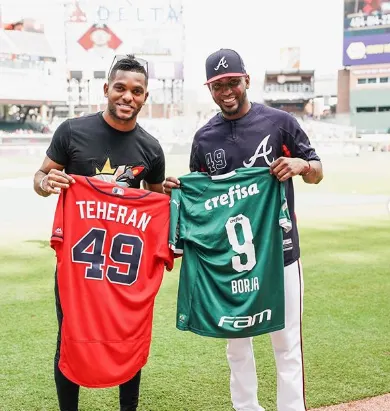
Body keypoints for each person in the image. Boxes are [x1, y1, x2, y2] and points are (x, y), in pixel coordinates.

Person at [163, 48, 323, 411]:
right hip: (231, 261)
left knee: (286, 345)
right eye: (218, 85)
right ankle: (246, 408)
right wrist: (179, 190)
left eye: (232, 82)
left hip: (281, 252)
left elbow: (317, 169)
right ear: (210, 89)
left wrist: (300, 164)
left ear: (246, 80)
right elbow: (201, 197)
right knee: (236, 343)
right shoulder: (204, 138)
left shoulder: (280, 123)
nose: (226, 91)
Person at [33, 56, 166, 411]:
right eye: (120, 88)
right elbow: (40, 176)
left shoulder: (151, 149)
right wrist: (47, 182)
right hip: (78, 266)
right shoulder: (72, 132)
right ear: (106, 89)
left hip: (124, 268)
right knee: (70, 339)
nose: (127, 97)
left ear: (145, 96)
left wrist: (171, 193)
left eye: (136, 91)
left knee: (127, 336)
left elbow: (157, 202)